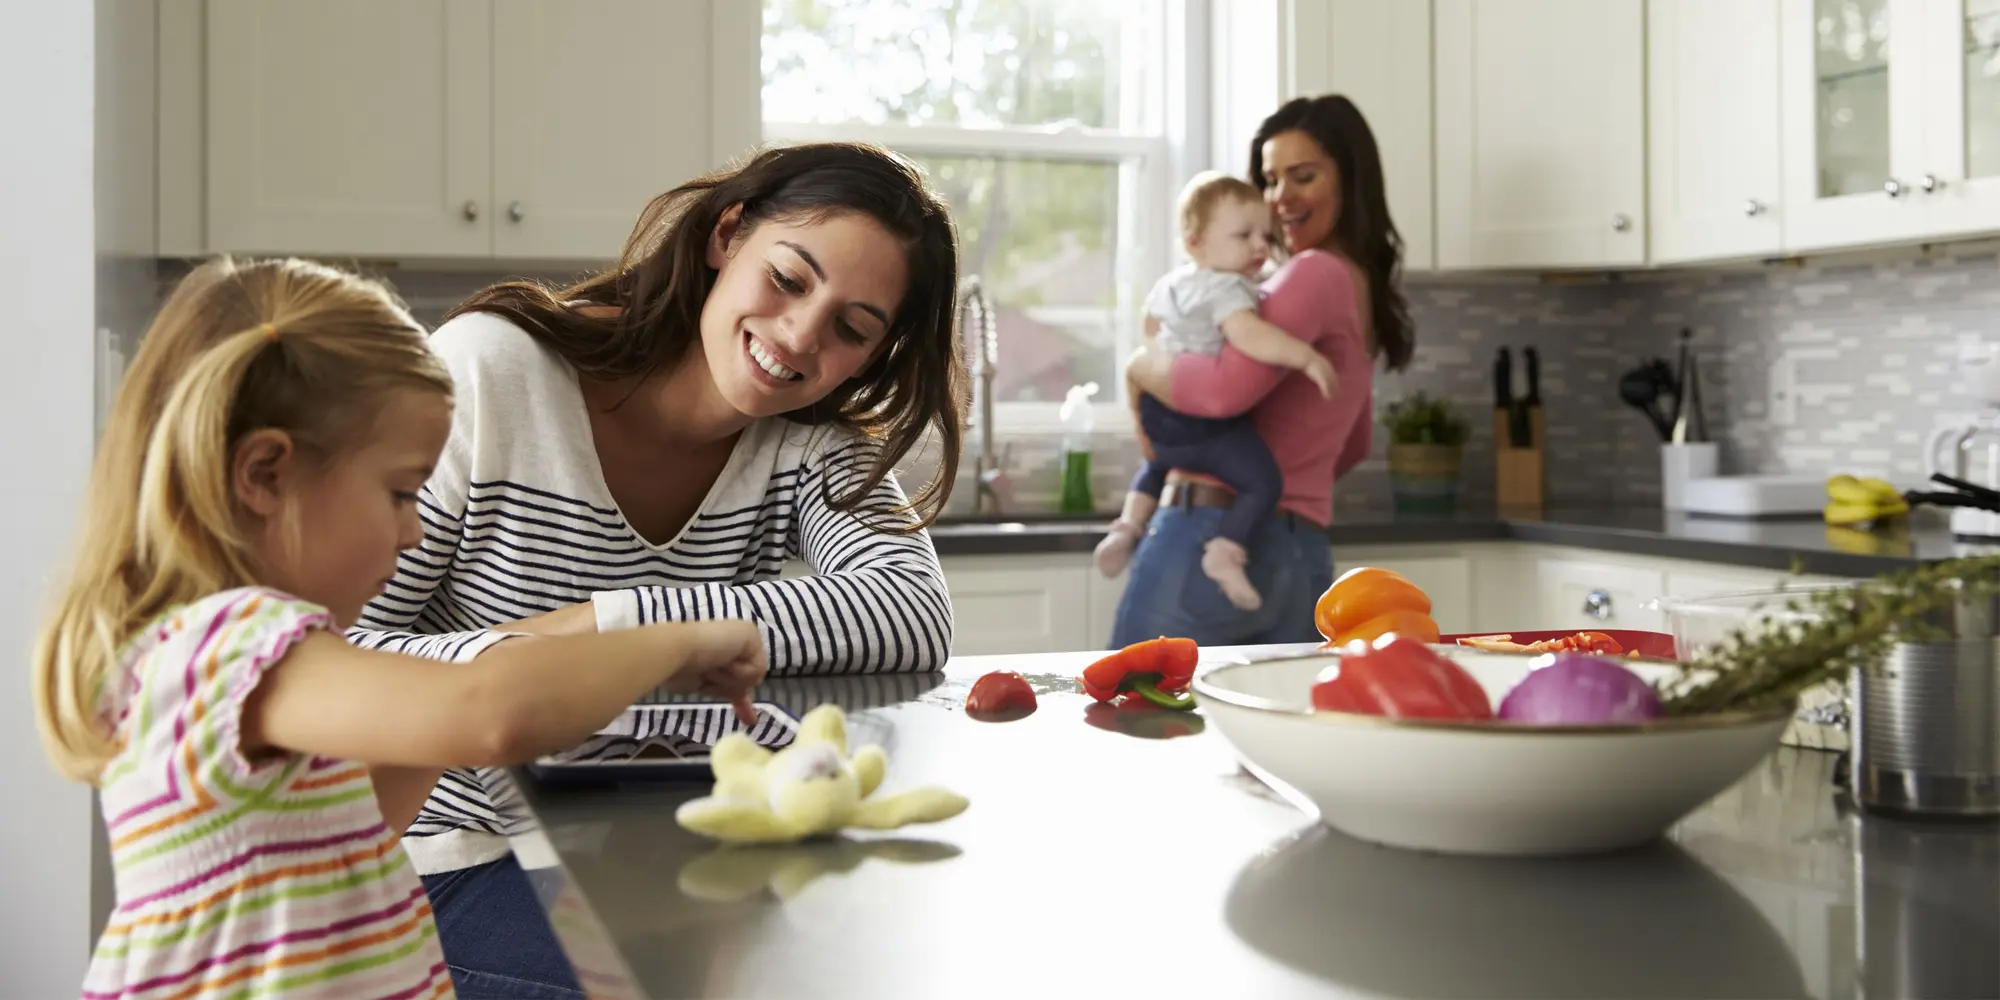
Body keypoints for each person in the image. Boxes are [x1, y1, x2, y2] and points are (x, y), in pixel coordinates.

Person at [33, 257, 769, 1000]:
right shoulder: (225, 647)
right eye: (399, 492)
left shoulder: (250, 659)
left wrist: (481, 686)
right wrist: (677, 637)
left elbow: (355, 827)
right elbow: (488, 715)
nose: (414, 531)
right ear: (265, 475)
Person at [344, 141, 965, 997]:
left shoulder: (809, 438)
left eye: (852, 328)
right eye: (788, 279)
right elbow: (340, 650)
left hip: (669, 840)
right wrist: (533, 670)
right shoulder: (494, 374)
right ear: (728, 234)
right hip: (457, 854)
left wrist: (614, 626)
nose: (799, 336)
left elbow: (909, 612)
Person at [1111, 95, 1416, 648]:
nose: (1280, 200)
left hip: (1211, 540)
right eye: (1271, 180)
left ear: (1352, 179)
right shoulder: (1359, 286)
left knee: (1136, 724)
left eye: (1303, 177)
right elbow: (1353, 444)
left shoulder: (1311, 274)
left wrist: (1139, 367)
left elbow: (1225, 392)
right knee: (1273, 731)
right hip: (1300, 557)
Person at [1094, 172, 1336, 611]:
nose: (1260, 246)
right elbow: (1249, 336)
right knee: (1263, 481)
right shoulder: (1227, 287)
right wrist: (1305, 357)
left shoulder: (1170, 283)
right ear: (1195, 242)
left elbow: (1150, 331)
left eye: (1265, 234)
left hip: (1157, 410)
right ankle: (1225, 551)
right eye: (1243, 235)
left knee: (1157, 464)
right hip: (1202, 422)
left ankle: (1127, 527)